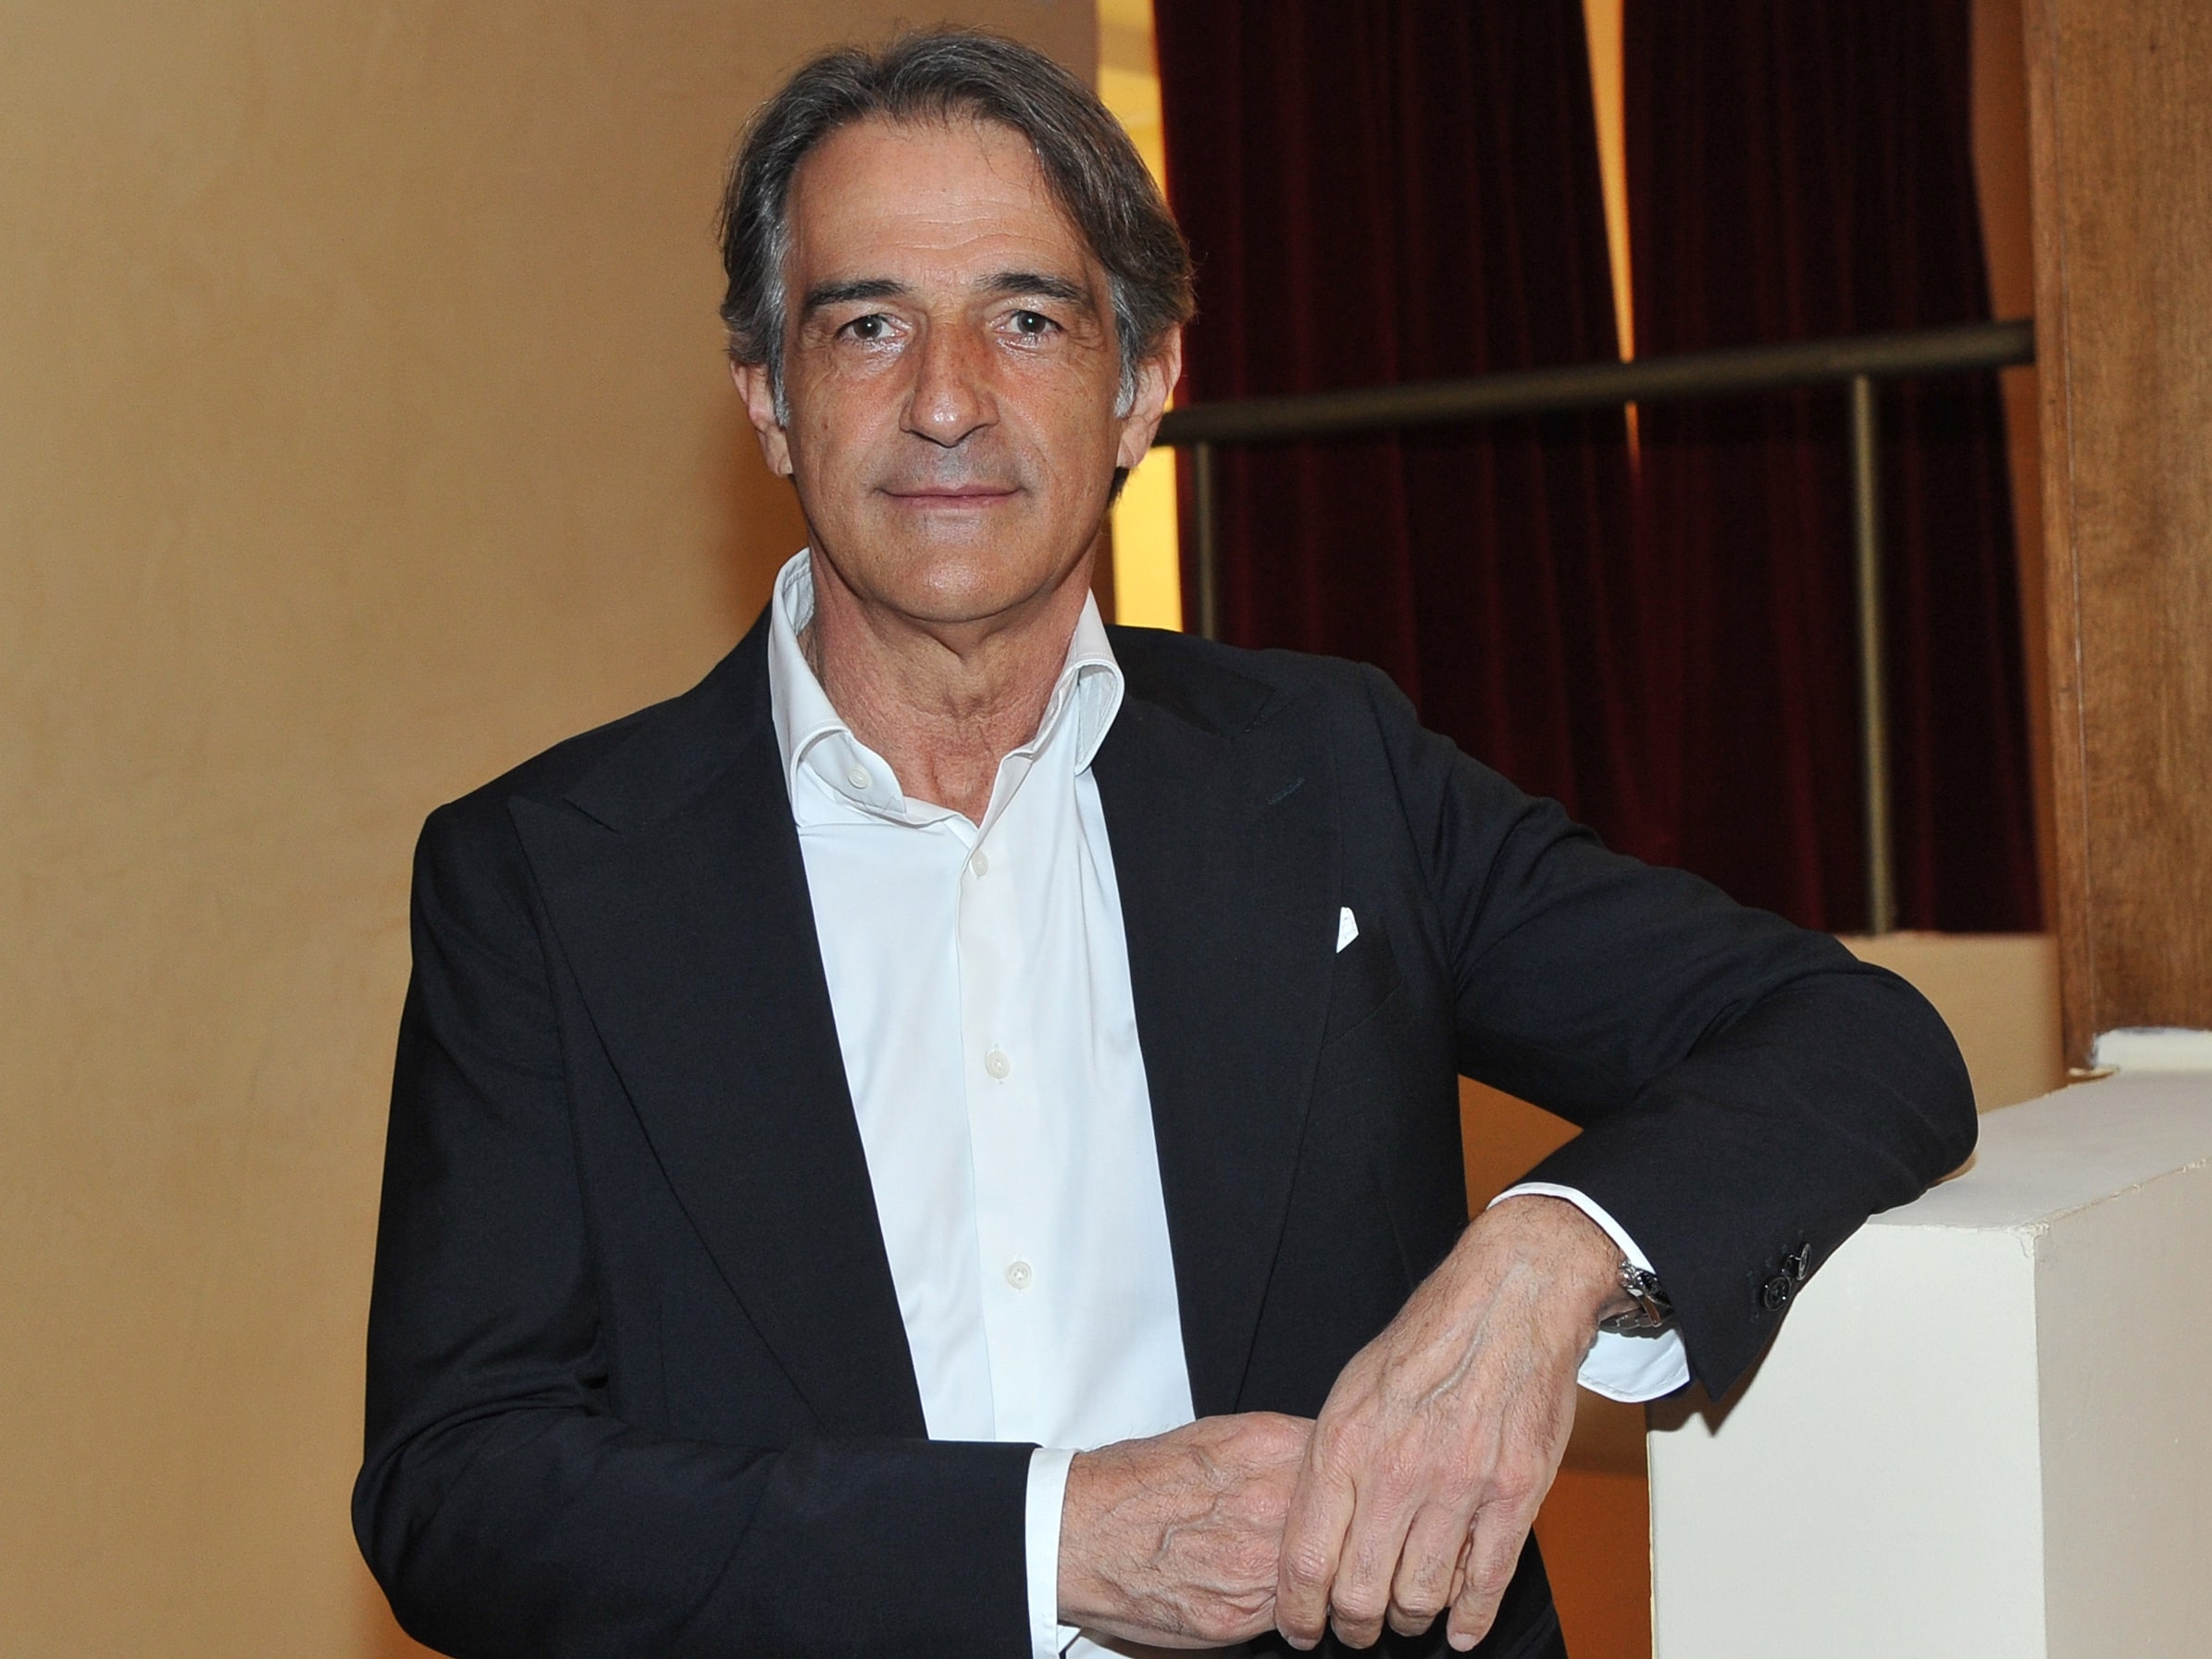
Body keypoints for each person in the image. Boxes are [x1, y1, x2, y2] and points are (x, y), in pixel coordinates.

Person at [354, 31, 1974, 1659]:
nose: (944, 401)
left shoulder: (1330, 771)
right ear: (769, 398)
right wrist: (1050, 1541)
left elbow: (1852, 1038)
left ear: (1141, 386)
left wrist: (1547, 1257)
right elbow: (459, 1491)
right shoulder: (546, 877)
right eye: (866, 325)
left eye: (1027, 320)